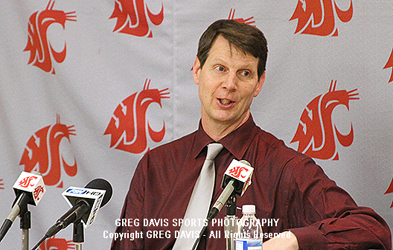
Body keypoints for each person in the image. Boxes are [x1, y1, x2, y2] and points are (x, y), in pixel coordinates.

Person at [111, 19, 391, 250]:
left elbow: (372, 230)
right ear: (197, 70)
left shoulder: (284, 168)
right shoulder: (156, 166)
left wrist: (290, 240)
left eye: (244, 73)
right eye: (219, 69)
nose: (229, 85)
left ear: (259, 84)